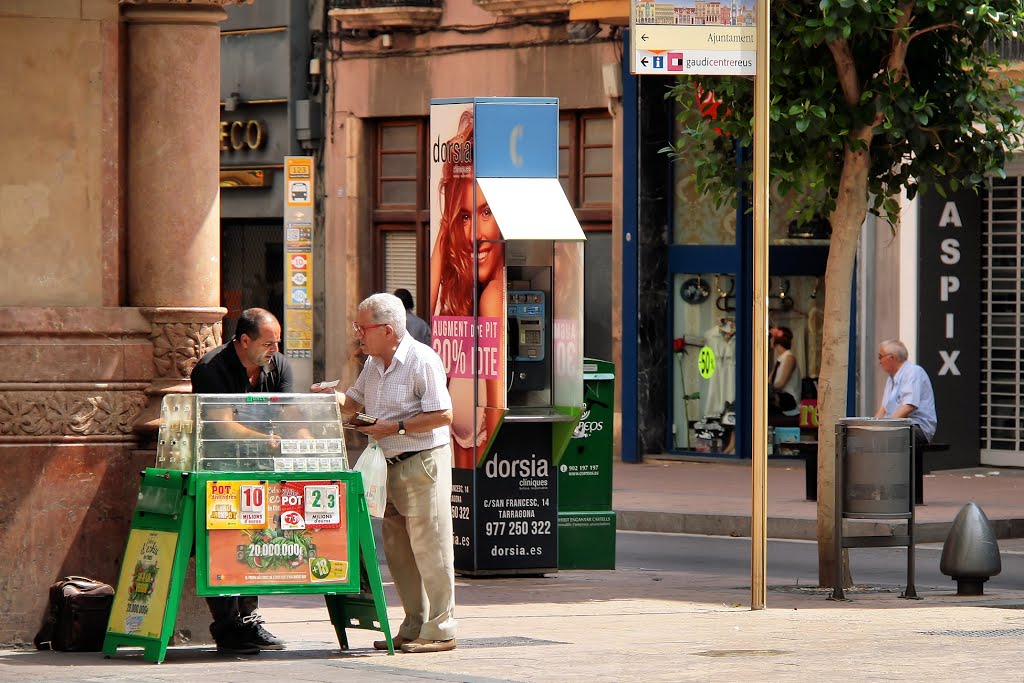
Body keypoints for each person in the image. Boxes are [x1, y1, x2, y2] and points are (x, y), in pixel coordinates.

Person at [314, 293, 458, 653]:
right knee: (397, 550)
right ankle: (412, 624)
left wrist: (395, 428)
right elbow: (356, 402)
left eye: (363, 328)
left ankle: (442, 629)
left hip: (422, 461)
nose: (358, 334)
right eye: (357, 327)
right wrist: (330, 399)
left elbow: (443, 414)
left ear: (388, 330)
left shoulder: (422, 360)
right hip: (386, 465)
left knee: (432, 546)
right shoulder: (374, 363)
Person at [189, 308, 289, 655]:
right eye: (267, 343)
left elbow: (289, 415)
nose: (274, 349)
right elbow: (220, 425)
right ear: (244, 341)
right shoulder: (211, 368)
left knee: (257, 541)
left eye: (276, 342)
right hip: (217, 471)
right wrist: (267, 438)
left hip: (261, 471)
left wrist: (305, 442)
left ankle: (249, 620)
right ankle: (227, 627)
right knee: (220, 544)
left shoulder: (278, 365)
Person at [429, 108, 505, 469]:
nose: (476, 234)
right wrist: (445, 236)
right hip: (455, 445)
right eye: (465, 216)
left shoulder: (494, 293)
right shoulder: (460, 298)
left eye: (488, 212)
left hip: (480, 453)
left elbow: (497, 406)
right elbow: (419, 324)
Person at [874, 339, 937, 445]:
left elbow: (909, 406)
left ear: (891, 357)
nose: (879, 361)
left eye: (880, 356)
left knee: (883, 441)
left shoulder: (913, 371)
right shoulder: (891, 379)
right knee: (870, 439)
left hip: (917, 427)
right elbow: (883, 410)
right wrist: (872, 428)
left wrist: (887, 427)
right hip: (898, 426)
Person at [769, 326, 801, 417]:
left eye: (772, 337)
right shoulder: (781, 359)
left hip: (790, 407)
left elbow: (780, 383)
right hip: (781, 404)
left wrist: (769, 388)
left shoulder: (789, 358)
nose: (770, 340)